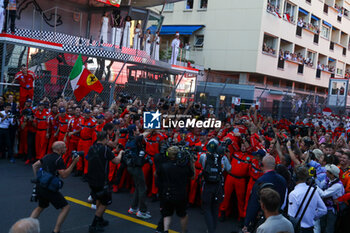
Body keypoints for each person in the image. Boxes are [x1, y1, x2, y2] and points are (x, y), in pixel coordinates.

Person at [30, 141, 79, 233]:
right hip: (49, 188)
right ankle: (56, 231)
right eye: (64, 147)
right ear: (59, 149)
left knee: (40, 207)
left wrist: (39, 178)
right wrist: (74, 163)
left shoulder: (46, 156)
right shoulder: (59, 159)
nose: (66, 148)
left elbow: (34, 165)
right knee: (66, 207)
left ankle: (27, 228)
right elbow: (64, 175)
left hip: (40, 185)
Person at [86, 131, 123, 233]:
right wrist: (120, 153)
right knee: (104, 202)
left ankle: (100, 220)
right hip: (101, 180)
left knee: (98, 198)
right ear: (105, 138)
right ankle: (94, 225)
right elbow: (116, 161)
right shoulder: (105, 149)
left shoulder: (91, 147)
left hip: (91, 178)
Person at [243, 155, 288, 233]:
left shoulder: (261, 181)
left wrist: (247, 223)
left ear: (262, 165)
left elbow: (253, 204)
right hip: (279, 216)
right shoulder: (283, 180)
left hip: (263, 219)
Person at [156, 146, 195, 233]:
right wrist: (191, 163)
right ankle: (184, 231)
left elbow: (157, 176)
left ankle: (165, 230)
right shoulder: (183, 167)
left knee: (167, 214)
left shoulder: (163, 166)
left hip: (167, 193)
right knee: (183, 215)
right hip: (180, 194)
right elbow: (192, 177)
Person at [200, 138, 231, 233]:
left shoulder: (204, 156)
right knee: (215, 208)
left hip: (208, 184)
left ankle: (210, 230)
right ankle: (212, 229)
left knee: (207, 208)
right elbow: (229, 169)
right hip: (218, 185)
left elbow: (202, 166)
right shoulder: (223, 157)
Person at [288, 166, 327, 233]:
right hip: (310, 229)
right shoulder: (313, 191)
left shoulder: (293, 194)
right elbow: (323, 210)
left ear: (294, 177)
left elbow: (292, 216)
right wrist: (312, 216)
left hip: (299, 229)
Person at [126, 125, 152, 219]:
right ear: (133, 131)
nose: (139, 130)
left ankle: (133, 208)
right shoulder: (136, 139)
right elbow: (148, 132)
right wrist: (155, 122)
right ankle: (142, 211)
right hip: (136, 167)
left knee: (138, 187)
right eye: (137, 129)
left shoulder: (129, 139)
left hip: (130, 166)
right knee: (143, 188)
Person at [317, 164, 345, 233]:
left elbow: (324, 194)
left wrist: (315, 186)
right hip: (324, 207)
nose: (325, 172)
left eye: (327, 172)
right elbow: (320, 186)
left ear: (332, 175)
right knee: (322, 225)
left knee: (329, 228)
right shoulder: (328, 180)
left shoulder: (337, 185)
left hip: (332, 209)